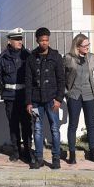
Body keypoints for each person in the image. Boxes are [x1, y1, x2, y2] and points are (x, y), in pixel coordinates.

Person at [25, 27, 66, 170]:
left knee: (55, 129)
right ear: (37, 40)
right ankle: (39, 159)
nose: (44, 43)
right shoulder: (31, 58)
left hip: (52, 101)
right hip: (36, 101)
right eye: (42, 40)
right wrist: (29, 102)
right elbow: (28, 82)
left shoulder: (56, 56)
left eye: (47, 40)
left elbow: (62, 79)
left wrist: (59, 99)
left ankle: (56, 159)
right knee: (37, 129)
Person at [64, 34, 94, 164]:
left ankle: (92, 152)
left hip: (89, 95)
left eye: (88, 45)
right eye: (84, 45)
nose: (87, 47)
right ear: (77, 46)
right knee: (73, 125)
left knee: (91, 124)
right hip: (74, 95)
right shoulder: (68, 58)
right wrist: (66, 92)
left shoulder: (92, 58)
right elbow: (61, 76)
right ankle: (72, 155)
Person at [0, 28, 33, 162]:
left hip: (24, 96)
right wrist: (4, 93)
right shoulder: (2, 57)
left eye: (20, 39)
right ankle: (16, 151)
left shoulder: (27, 55)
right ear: (10, 41)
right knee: (13, 125)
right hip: (10, 97)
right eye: (16, 39)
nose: (19, 41)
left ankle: (28, 151)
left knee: (27, 125)